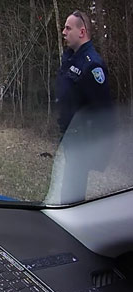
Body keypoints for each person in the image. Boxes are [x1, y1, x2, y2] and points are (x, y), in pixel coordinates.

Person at [48, 10, 115, 204]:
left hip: (81, 141)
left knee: (72, 196)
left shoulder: (92, 66)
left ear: (82, 32)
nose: (63, 32)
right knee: (63, 190)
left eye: (68, 28)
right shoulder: (70, 58)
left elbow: (103, 111)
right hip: (68, 137)